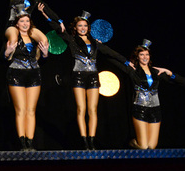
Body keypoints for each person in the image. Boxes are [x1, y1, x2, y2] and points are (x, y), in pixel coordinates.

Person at [43, 9, 127, 150]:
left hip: (93, 77)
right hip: (78, 76)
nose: (83, 28)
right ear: (75, 28)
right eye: (80, 26)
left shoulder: (95, 43)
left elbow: (111, 53)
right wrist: (46, 16)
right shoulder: (72, 40)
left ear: (88, 28)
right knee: (81, 108)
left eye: (85, 26)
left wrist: (127, 62)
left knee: (92, 109)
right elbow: (58, 29)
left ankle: (92, 140)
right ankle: (84, 141)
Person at [107, 40, 176, 149]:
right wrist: (98, 46)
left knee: (151, 146)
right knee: (143, 146)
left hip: (155, 110)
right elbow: (113, 59)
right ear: (137, 57)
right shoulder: (133, 70)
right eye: (142, 54)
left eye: (147, 54)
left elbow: (175, 80)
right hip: (140, 109)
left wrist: (171, 73)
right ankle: (131, 142)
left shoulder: (156, 72)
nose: (145, 57)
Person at [3, 6, 50, 151]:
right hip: (16, 74)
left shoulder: (34, 38)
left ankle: (30, 143)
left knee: (31, 110)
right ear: (17, 24)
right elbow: (3, 59)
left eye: (27, 21)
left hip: (34, 74)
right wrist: (7, 52)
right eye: (22, 21)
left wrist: (45, 54)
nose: (25, 24)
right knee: (21, 109)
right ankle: (22, 143)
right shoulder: (13, 37)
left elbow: (42, 59)